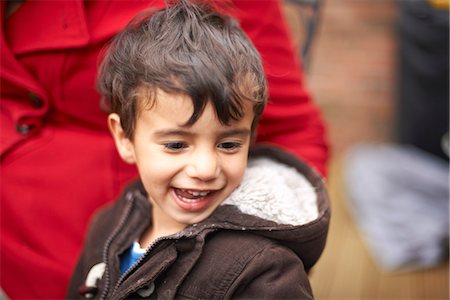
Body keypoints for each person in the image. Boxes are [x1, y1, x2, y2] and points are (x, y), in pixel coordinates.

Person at [0, 0, 328, 298]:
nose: (205, 168)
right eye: (176, 144)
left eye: (229, 144)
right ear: (124, 138)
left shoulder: (263, 270)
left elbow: (295, 128)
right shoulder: (106, 228)